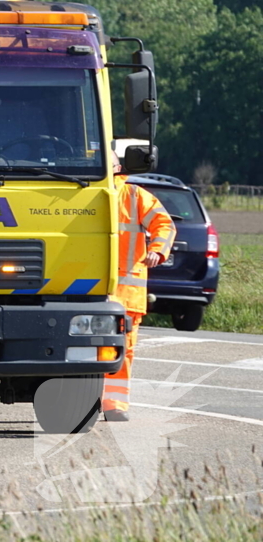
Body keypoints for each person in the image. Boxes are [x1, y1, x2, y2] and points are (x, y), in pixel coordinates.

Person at [103, 151, 176, 421]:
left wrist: (158, 249)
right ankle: (90, 402)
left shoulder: (134, 196)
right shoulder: (81, 194)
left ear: (118, 168)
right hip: (90, 288)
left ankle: (114, 404)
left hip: (125, 292)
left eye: (106, 164)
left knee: (121, 349)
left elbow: (164, 224)